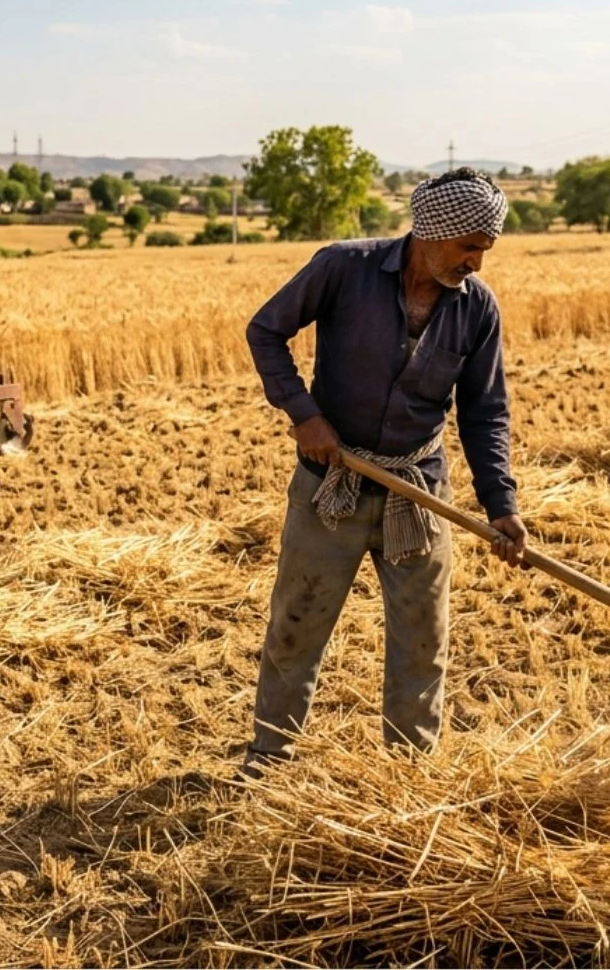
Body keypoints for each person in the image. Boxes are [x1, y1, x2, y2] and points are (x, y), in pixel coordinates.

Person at [240, 167, 529, 776]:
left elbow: (485, 412)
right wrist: (304, 416)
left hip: (418, 492)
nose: (478, 260)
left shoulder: (477, 309)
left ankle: (409, 772)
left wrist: (501, 504)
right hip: (332, 485)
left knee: (423, 641)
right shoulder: (343, 269)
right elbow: (265, 331)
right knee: (296, 626)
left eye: (486, 248)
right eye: (469, 245)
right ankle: (269, 759)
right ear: (430, 231)